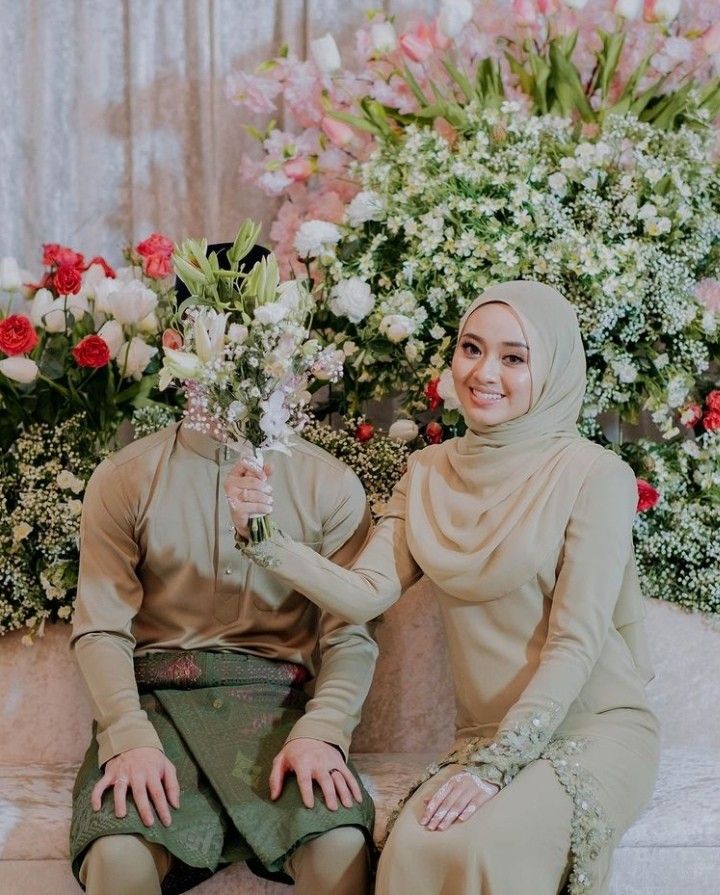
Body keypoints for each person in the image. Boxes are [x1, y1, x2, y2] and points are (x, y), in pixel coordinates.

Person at [228, 281, 660, 895]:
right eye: (471, 348)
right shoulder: (428, 472)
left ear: (555, 368)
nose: (484, 373)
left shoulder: (595, 475)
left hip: (590, 731)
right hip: (482, 735)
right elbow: (366, 592)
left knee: (484, 847)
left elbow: (577, 640)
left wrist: (497, 767)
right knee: (414, 851)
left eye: (514, 357)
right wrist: (265, 537)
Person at [68, 244, 377, 895]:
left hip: (282, 712)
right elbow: (101, 628)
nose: (249, 363)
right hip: (157, 710)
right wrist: (128, 736)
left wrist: (326, 731)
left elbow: (348, 634)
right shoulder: (125, 478)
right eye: (229, 341)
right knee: (117, 857)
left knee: (341, 847)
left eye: (263, 342)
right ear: (180, 345)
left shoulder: (329, 484)